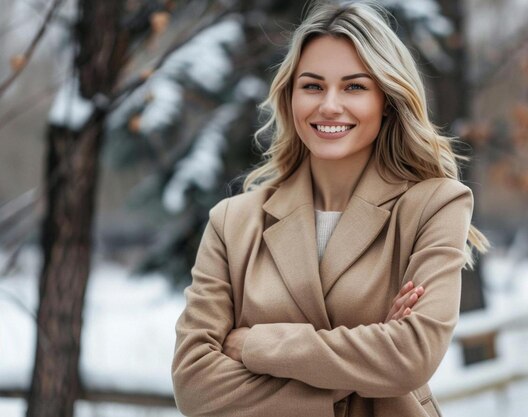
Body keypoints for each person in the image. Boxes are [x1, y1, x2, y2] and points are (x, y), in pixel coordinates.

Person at [171, 1, 489, 416]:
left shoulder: (435, 204)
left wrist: (254, 344)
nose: (330, 106)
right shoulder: (232, 222)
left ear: (387, 100)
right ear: (290, 97)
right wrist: (359, 374)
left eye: (354, 86)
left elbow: (410, 355)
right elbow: (193, 385)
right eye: (313, 86)